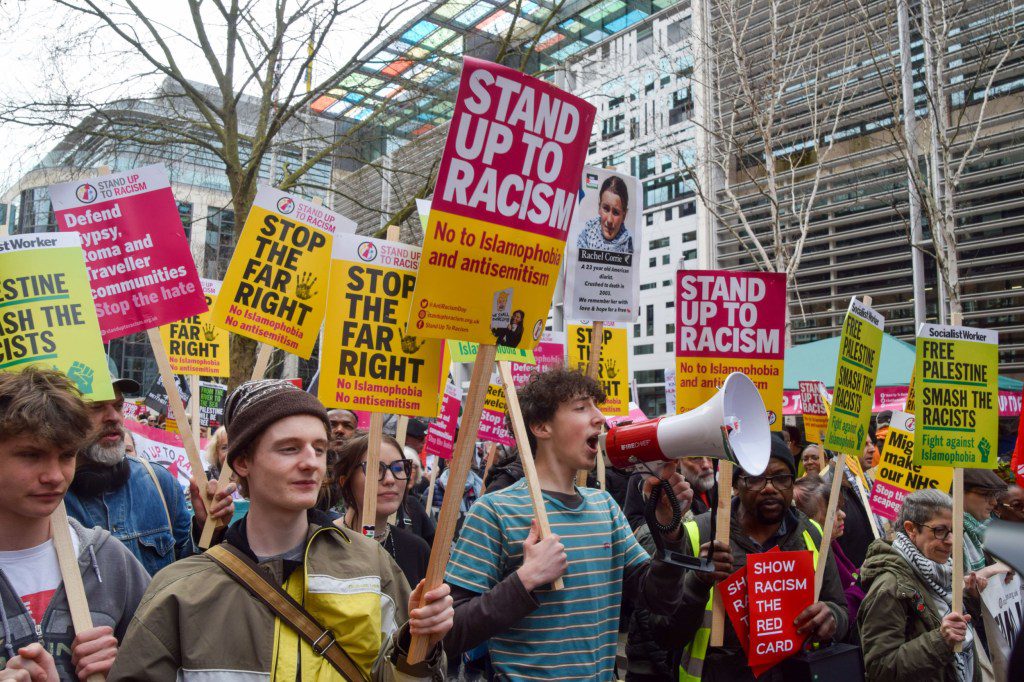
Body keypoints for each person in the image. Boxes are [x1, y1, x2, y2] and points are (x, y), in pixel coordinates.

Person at [108, 379, 452, 680]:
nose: (311, 462)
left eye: (319, 448)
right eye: (289, 448)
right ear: (242, 462)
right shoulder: (181, 590)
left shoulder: (373, 565)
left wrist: (418, 646)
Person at [442, 368, 696, 681]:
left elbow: (660, 600)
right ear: (540, 426)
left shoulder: (605, 508)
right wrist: (526, 579)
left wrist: (669, 531)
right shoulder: (493, 511)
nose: (600, 417)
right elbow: (450, 633)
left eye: (596, 406)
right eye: (581, 407)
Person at [0, 368, 150, 681]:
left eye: (67, 455)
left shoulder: (108, 559)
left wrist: (125, 668)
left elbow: (167, 665)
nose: (54, 476)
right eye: (31, 455)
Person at [662, 435, 849, 681]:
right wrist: (697, 582)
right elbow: (664, 632)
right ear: (737, 483)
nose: (770, 487)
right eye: (756, 478)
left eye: (781, 478)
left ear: (793, 484)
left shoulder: (811, 533)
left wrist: (832, 616)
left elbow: (840, 609)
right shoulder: (700, 534)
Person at [63, 376, 235, 576]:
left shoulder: (159, 482)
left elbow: (187, 573)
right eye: (96, 406)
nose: (114, 417)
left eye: (118, 406)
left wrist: (206, 529)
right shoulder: (51, 495)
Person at [859, 489, 986, 681]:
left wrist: (970, 599)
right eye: (940, 531)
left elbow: (954, 629)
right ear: (911, 529)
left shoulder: (944, 571)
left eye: (954, 530)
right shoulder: (889, 588)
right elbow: (880, 669)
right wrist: (941, 641)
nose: (951, 541)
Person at [335, 434, 431, 587]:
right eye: (375, 469)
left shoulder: (417, 550)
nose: (390, 479)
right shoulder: (322, 542)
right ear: (345, 481)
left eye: (398, 468)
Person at [793, 475, 865, 625]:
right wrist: (862, 583)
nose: (843, 515)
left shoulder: (832, 545)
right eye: (833, 512)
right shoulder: (815, 555)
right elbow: (842, 607)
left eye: (840, 509)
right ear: (810, 522)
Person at [962, 468, 1005, 572]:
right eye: (986, 494)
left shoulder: (989, 528)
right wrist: (990, 571)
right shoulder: (952, 530)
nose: (994, 502)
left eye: (995, 495)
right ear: (960, 491)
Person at [576, 175, 633, 253]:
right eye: (606, 209)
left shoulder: (628, 245)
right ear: (599, 208)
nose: (609, 220)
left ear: (624, 215)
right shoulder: (585, 237)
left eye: (616, 213)